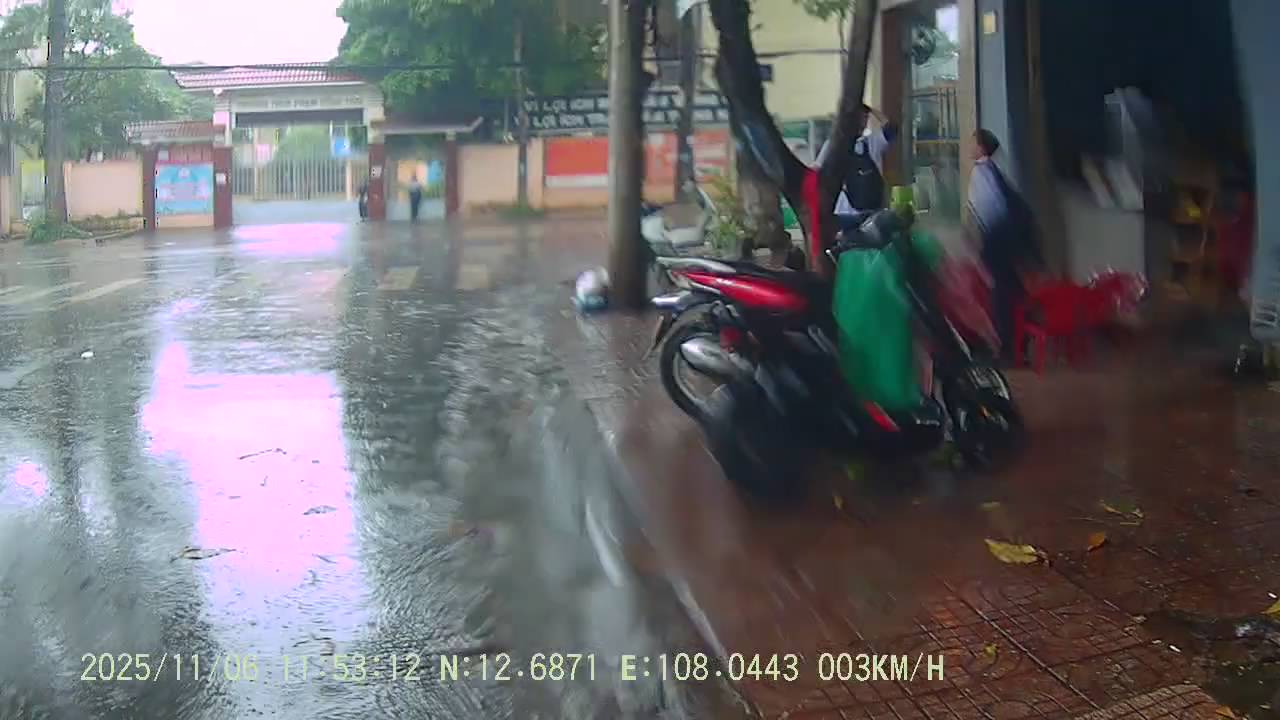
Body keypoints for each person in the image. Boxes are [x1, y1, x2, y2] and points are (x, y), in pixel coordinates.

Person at [967, 128, 1042, 361]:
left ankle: (1008, 348)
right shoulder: (995, 169)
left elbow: (988, 209)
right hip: (1011, 239)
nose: (970, 147)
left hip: (999, 240)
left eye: (973, 142)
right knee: (1014, 291)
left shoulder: (981, 172)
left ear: (981, 147)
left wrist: (981, 240)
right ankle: (1022, 341)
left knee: (1002, 296)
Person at [816, 104, 899, 231]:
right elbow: (816, 171)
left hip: (873, 212)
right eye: (859, 118)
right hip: (845, 213)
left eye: (865, 118)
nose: (862, 122)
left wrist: (872, 110)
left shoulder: (872, 142)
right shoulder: (834, 145)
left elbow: (892, 128)